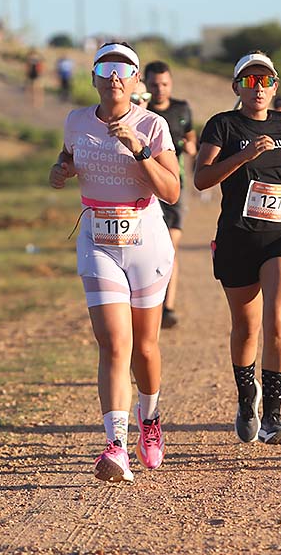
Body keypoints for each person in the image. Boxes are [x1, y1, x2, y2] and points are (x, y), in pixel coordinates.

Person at [48, 42, 180, 483]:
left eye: (124, 69)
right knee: (113, 344)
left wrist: (139, 149)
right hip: (97, 237)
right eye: (106, 68)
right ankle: (116, 446)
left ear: (136, 80)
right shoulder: (76, 121)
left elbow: (173, 191)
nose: (115, 76)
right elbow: (68, 156)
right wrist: (60, 169)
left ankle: (151, 418)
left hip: (145, 239)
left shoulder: (153, 124)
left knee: (144, 348)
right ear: (94, 78)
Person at [194, 51, 281, 445]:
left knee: (277, 320)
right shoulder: (222, 125)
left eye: (265, 81)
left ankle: (273, 418)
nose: (257, 88)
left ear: (275, 87)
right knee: (245, 327)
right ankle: (248, 401)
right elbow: (201, 178)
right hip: (237, 235)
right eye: (249, 81)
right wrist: (245, 155)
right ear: (236, 87)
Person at [144, 61, 197, 329]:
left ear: (171, 83)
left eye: (164, 84)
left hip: (176, 187)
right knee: (149, 250)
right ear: (145, 84)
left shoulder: (182, 109)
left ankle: (168, 307)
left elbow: (192, 140)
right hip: (146, 189)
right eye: (154, 85)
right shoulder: (141, 111)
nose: (160, 89)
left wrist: (191, 148)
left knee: (169, 248)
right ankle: (149, 305)